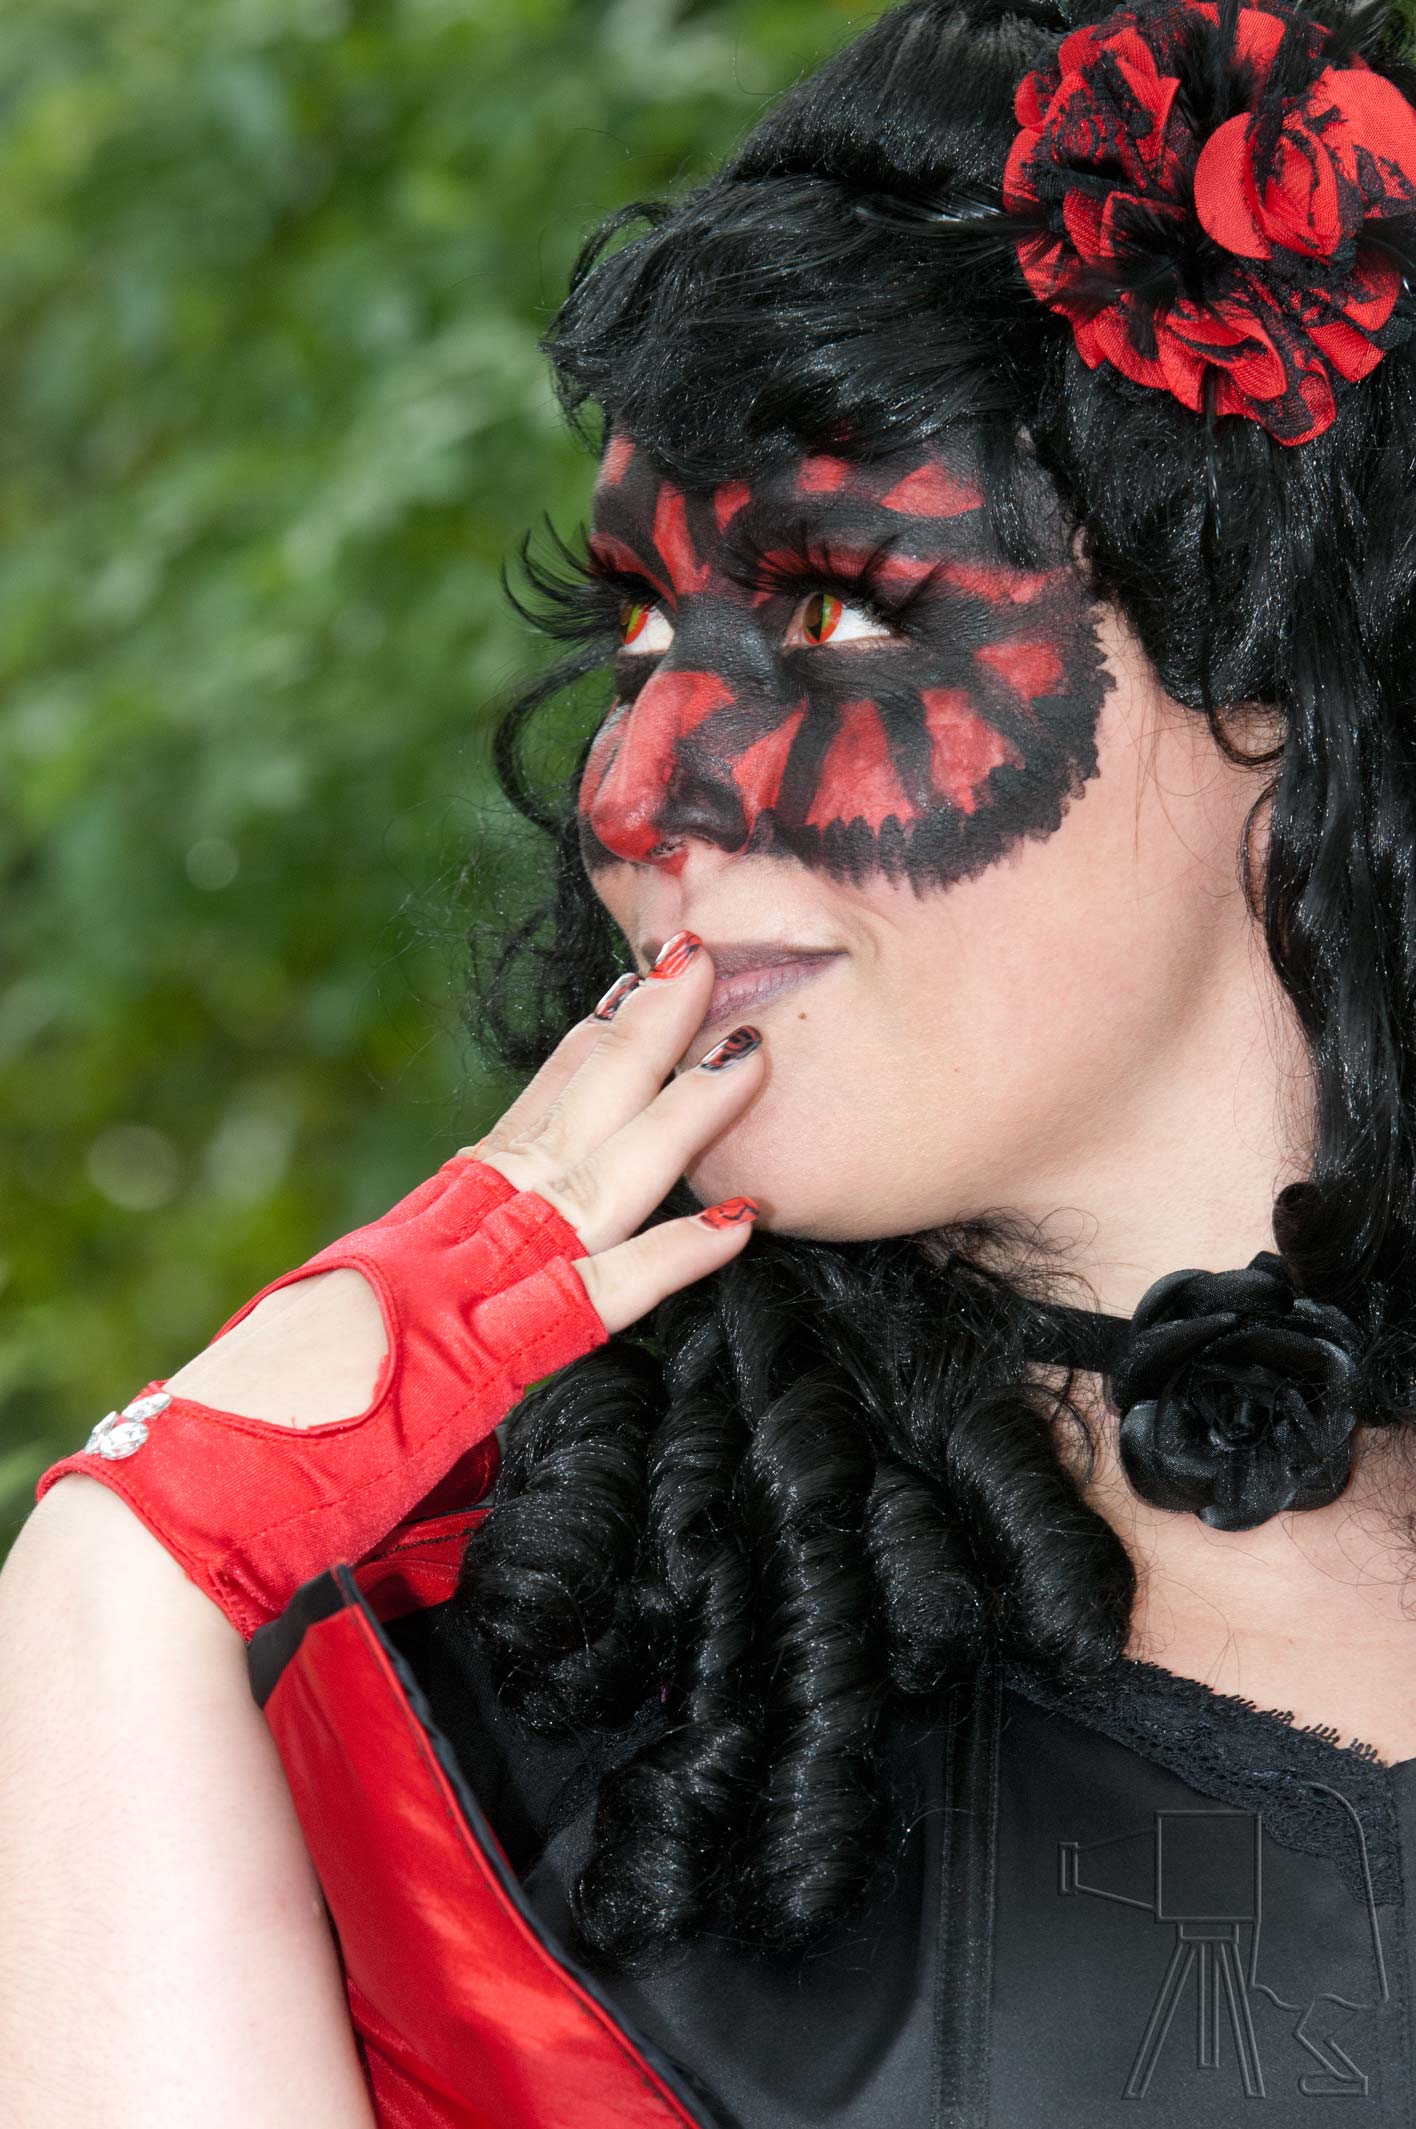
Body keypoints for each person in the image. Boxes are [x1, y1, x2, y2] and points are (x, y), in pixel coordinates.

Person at [5, 0, 1416, 2118]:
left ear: (1283, 677)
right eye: (641, 636)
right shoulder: (491, 1724)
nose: (633, 792)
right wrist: (124, 1577)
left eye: (836, 614)